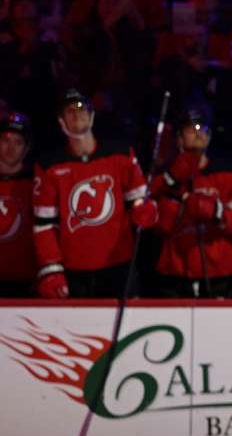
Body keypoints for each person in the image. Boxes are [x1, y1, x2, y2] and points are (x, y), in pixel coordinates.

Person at [32, 90, 157, 298]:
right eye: (70, 111)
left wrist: (146, 211)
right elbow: (44, 224)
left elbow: (140, 201)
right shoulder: (49, 166)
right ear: (61, 121)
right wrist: (51, 268)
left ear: (92, 116)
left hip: (119, 265)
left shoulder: (120, 154)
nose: (77, 115)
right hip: (75, 271)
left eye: (82, 109)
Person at [151, 110, 232, 298]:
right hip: (175, 273)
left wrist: (218, 212)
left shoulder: (230, 172)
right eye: (191, 128)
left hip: (220, 272)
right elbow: (156, 224)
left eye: (203, 128)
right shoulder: (162, 177)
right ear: (179, 138)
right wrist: (174, 188)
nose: (199, 132)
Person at [0, 112, 36, 296]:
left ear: (26, 148)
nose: (10, 148)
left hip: (25, 283)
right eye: (6, 140)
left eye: (18, 142)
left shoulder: (36, 182)